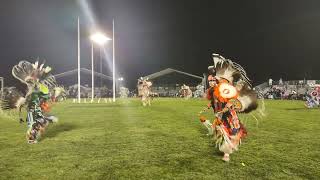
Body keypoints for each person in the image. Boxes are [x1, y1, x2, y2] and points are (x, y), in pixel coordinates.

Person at [199, 53, 258, 162]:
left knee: (231, 133)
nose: (211, 82)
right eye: (210, 81)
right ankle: (225, 148)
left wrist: (223, 110)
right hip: (220, 115)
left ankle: (227, 153)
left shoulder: (225, 87)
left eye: (213, 80)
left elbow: (231, 101)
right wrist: (210, 107)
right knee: (220, 132)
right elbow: (213, 101)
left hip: (229, 114)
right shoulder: (212, 91)